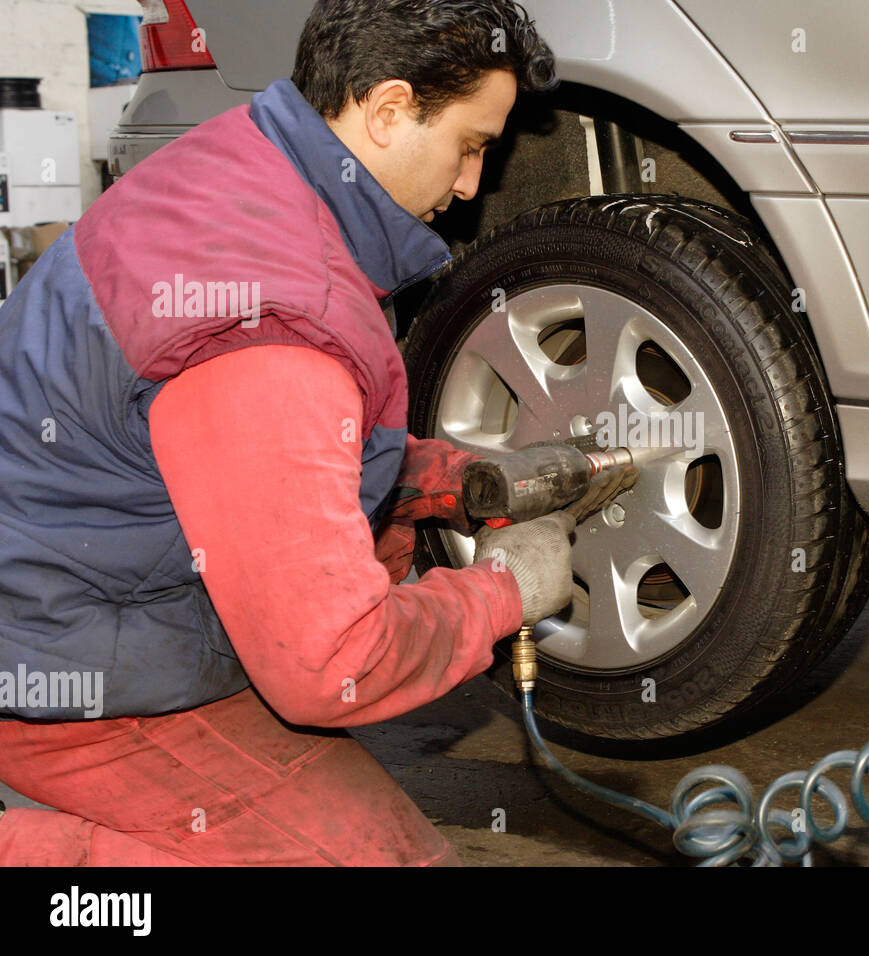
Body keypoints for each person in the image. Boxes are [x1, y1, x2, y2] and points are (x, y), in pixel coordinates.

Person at [0, 0, 597, 866]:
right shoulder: (275, 321)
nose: (473, 184)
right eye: (471, 145)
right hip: (74, 681)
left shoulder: (250, 157)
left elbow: (250, 452)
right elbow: (331, 664)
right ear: (387, 111)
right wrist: (501, 593)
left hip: (103, 601)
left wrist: (442, 478)